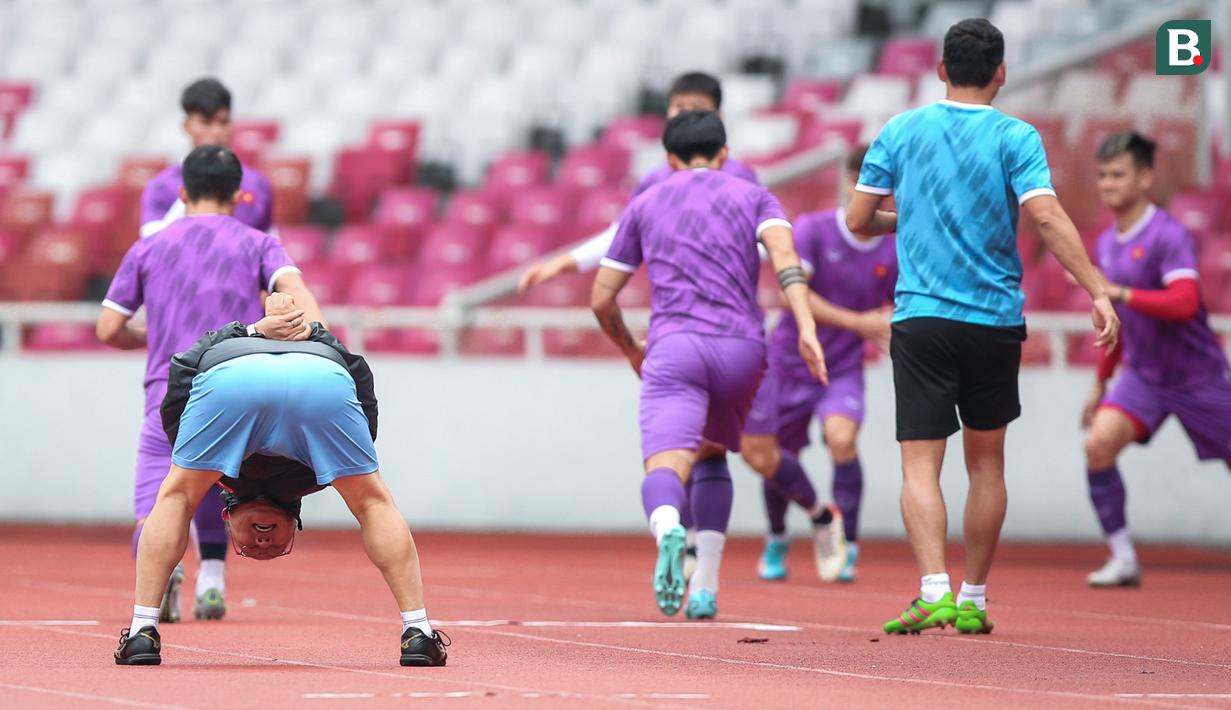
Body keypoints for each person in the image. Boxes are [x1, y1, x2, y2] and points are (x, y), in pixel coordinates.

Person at [846, 18, 1119, 635]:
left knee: (920, 464)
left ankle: (932, 588)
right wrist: (1097, 289)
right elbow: (1046, 218)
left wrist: (911, 218)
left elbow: (859, 218)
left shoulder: (901, 129)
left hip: (922, 319)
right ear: (1001, 73)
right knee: (987, 465)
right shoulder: (1017, 137)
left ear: (941, 69)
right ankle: (973, 596)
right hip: (994, 320)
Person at [114, 294, 448, 667]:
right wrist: (313, 334)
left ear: (227, 517)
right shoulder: (313, 477)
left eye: (250, 547)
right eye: (273, 547)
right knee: (373, 501)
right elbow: (358, 377)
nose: (261, 541)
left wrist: (251, 332)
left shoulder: (220, 475)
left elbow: (184, 368)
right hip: (320, 378)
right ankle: (418, 632)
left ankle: (142, 631)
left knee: (176, 494)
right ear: (294, 524)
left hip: (234, 377)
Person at [591, 111, 825, 620]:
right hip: (743, 348)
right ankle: (707, 587)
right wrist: (806, 325)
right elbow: (785, 257)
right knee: (714, 455)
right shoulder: (752, 194)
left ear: (669, 158)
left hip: (674, 348)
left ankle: (671, 526)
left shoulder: (646, 202)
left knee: (667, 466)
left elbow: (602, 298)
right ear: (724, 154)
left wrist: (632, 348)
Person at [98, 146, 322, 624]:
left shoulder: (149, 246)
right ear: (241, 194)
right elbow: (295, 291)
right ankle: (214, 580)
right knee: (216, 480)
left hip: (167, 391)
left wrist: (149, 334)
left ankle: (156, 592)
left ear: (181, 191)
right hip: (232, 389)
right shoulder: (257, 242)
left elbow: (107, 329)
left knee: (158, 503)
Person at [1080, 131, 1231, 588]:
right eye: (1103, 175)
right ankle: (1123, 557)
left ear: (1145, 178)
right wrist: (1101, 382)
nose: (1108, 184)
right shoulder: (1106, 242)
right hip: (1143, 376)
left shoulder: (1170, 234)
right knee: (1097, 445)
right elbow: (1116, 320)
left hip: (1197, 375)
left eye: (1118, 174)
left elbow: (1185, 303)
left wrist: (1121, 292)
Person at [751, 146, 896, 584]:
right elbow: (797, 295)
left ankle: (846, 543)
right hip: (789, 361)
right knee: (778, 456)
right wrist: (860, 322)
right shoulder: (813, 230)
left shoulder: (895, 247)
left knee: (841, 439)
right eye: (859, 182)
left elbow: (899, 304)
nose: (868, 194)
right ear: (847, 182)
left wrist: (893, 327)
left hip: (842, 366)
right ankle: (778, 537)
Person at [519, 72, 758, 292]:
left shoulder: (740, 179)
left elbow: (766, 241)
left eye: (697, 108)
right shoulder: (655, 180)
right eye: (679, 107)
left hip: (731, 318)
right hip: (673, 318)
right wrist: (568, 261)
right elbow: (624, 234)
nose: (687, 115)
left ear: (718, 116)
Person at [141, 78, 274, 237]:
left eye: (223, 122)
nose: (216, 131)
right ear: (187, 126)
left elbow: (270, 240)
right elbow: (150, 242)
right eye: (206, 122)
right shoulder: (162, 186)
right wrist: (195, 190)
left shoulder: (257, 183)